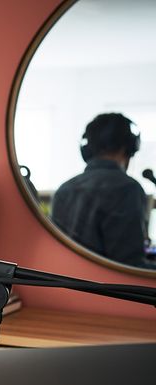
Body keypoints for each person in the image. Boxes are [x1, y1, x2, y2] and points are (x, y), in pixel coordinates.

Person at [51, 112, 154, 268]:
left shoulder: (64, 189)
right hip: (107, 289)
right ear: (128, 147)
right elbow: (128, 266)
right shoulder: (127, 187)